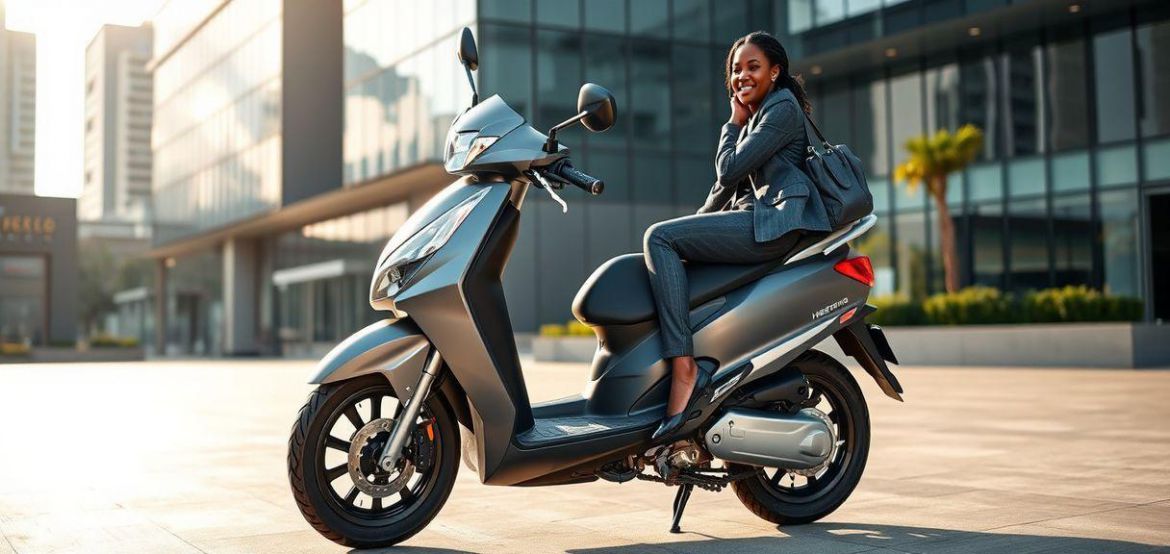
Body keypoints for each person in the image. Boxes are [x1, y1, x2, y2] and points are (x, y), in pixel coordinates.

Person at [646, 31, 832, 441]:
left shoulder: (779, 110)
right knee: (666, 241)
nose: (741, 76)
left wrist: (731, 123)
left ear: (775, 71)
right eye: (735, 69)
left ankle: (685, 368)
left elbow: (728, 171)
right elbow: (723, 190)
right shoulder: (762, 112)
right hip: (756, 218)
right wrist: (693, 228)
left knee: (658, 238)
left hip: (773, 223)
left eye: (753, 67)